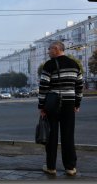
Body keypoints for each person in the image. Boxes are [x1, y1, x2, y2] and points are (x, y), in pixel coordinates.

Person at [38, 41, 83, 176]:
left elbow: (44, 87)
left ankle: (51, 167)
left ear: (57, 49)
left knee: (51, 136)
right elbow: (79, 86)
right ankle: (70, 167)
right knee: (68, 136)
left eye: (50, 49)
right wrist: (77, 104)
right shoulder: (75, 64)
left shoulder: (49, 65)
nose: (48, 52)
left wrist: (41, 106)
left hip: (53, 105)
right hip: (69, 105)